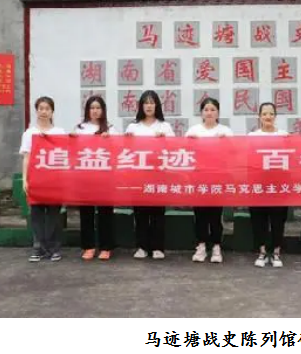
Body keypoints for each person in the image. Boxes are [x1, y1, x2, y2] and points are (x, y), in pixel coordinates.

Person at [125, 90, 174, 260]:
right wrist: (127, 140)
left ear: (157, 105)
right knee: (140, 213)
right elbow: (126, 151)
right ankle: (142, 246)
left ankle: (158, 247)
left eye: (152, 102)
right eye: (146, 103)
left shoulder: (165, 126)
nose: (149, 106)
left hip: (158, 175)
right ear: (141, 106)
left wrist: (165, 139)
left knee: (157, 212)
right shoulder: (133, 127)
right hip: (138, 176)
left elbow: (174, 148)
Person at [186, 98, 233, 263]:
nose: (209, 113)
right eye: (206, 109)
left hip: (218, 179)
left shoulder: (225, 131)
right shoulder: (194, 131)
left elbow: (233, 152)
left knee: (215, 215)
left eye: (213, 109)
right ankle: (201, 246)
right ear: (201, 113)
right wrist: (190, 143)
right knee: (200, 215)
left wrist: (226, 142)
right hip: (198, 178)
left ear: (218, 113)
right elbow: (185, 153)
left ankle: (216, 246)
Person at [20, 96, 66, 262]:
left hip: (54, 181)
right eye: (41, 108)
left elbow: (65, 155)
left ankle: (54, 249)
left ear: (52, 112)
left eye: (47, 108)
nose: (44, 112)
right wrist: (24, 179)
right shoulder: (29, 133)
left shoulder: (59, 133)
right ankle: (38, 248)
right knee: (37, 215)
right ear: (36, 111)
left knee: (54, 216)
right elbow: (26, 158)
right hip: (36, 180)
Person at [72, 96, 117, 261]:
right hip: (85, 177)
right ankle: (88, 246)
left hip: (105, 177)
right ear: (87, 110)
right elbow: (73, 150)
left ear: (103, 110)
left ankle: (106, 247)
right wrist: (71, 139)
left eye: (98, 108)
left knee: (105, 213)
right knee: (86, 213)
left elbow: (119, 149)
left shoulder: (110, 128)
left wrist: (109, 140)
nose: (95, 111)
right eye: (92, 108)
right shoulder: (80, 128)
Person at [248, 102, 289, 268]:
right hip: (258, 184)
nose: (268, 117)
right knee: (259, 219)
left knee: (278, 219)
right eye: (264, 114)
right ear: (259, 116)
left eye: (271, 114)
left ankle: (277, 252)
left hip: (279, 184)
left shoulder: (284, 135)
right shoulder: (252, 136)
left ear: (275, 116)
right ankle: (262, 251)